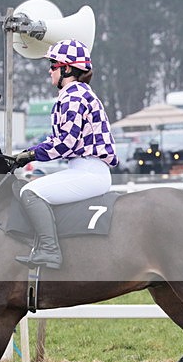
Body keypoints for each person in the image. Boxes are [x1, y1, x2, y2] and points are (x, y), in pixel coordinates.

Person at [11, 39, 118, 269]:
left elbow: (65, 143)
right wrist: (28, 152)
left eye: (53, 66)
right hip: (86, 169)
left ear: (67, 69)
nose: (50, 71)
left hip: (89, 172)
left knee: (30, 192)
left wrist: (31, 156)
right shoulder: (76, 94)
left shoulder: (73, 97)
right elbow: (57, 140)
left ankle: (49, 250)